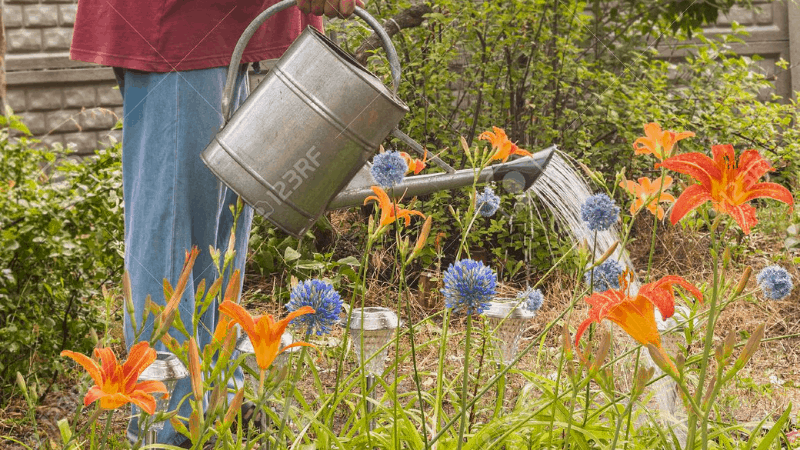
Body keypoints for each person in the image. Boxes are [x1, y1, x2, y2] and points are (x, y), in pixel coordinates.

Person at [69, 0, 364, 446]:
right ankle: (167, 426)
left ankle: (204, 402)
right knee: (173, 232)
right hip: (180, 23)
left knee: (218, 234)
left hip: (220, 25)